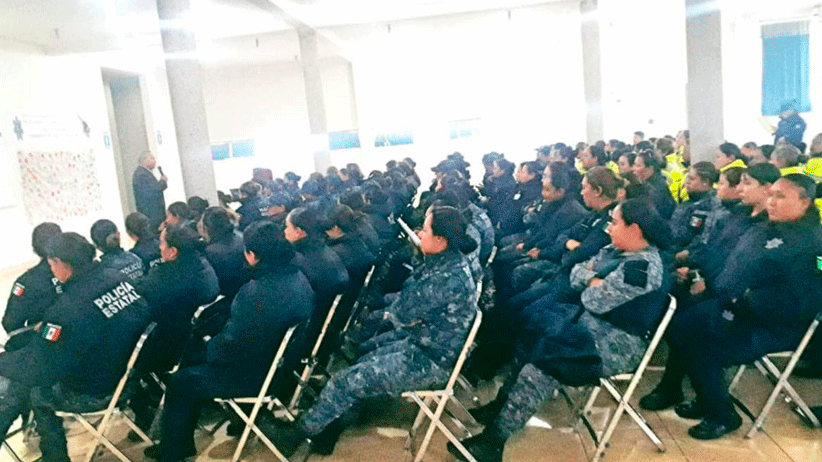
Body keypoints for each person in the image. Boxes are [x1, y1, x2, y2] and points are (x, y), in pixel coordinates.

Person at [449, 199, 671, 462]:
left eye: (614, 222)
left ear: (634, 229)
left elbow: (593, 301)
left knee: (541, 367)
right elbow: (577, 272)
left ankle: (494, 441)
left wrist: (588, 279)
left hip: (614, 344)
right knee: (529, 335)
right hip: (586, 327)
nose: (609, 228)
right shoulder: (616, 251)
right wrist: (592, 279)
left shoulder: (641, 269)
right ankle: (501, 407)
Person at [264, 206, 478, 457]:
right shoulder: (448, 263)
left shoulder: (445, 277)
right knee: (363, 358)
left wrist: (410, 305)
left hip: (429, 360)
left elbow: (402, 313)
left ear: (441, 240)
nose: (420, 233)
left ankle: (296, 434)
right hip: (425, 345)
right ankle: (333, 423)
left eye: (426, 231)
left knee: (343, 382)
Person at [641, 174, 822, 440]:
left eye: (781, 197)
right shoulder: (764, 226)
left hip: (773, 323)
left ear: (805, 203)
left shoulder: (812, 244)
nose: (771, 202)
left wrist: (748, 300)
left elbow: (806, 297)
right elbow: (733, 267)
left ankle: (723, 415)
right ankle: (695, 394)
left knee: (703, 347)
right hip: (735, 306)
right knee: (680, 326)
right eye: (771, 194)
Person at [144, 222, 314, 462]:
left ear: (252, 255)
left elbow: (230, 347)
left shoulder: (257, 292)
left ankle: (174, 450)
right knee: (193, 361)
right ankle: (237, 419)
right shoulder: (297, 276)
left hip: (253, 374)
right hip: (280, 367)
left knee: (180, 380)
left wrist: (209, 345)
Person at [0, 232, 151, 462]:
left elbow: (39, 367)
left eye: (51, 264)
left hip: (97, 390)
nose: (51, 270)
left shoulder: (68, 309)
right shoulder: (119, 278)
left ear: (61, 264)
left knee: (35, 390)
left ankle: (55, 458)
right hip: (131, 375)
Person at [3, 223, 62, 335]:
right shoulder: (82, 269)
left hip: (48, 342)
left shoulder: (26, 282)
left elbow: (10, 323)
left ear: (34, 247)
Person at [199, 207, 250, 300]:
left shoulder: (210, 253)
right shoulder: (241, 237)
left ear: (206, 228)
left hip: (227, 297)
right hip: (247, 292)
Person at [669, 162, 720, 248]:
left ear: (705, 182)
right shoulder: (690, 201)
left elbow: (689, 236)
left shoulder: (707, 207)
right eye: (687, 178)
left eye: (691, 179)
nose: (686, 182)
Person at [633, 150, 676, 219]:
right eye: (634, 164)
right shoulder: (648, 183)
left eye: (638, 166)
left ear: (650, 168)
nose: (634, 169)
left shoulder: (656, 189)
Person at [133, 151, 168, 230]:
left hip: (153, 213)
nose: (155, 161)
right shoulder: (142, 174)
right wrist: (162, 182)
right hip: (151, 214)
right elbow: (152, 191)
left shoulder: (144, 173)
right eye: (152, 158)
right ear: (144, 160)